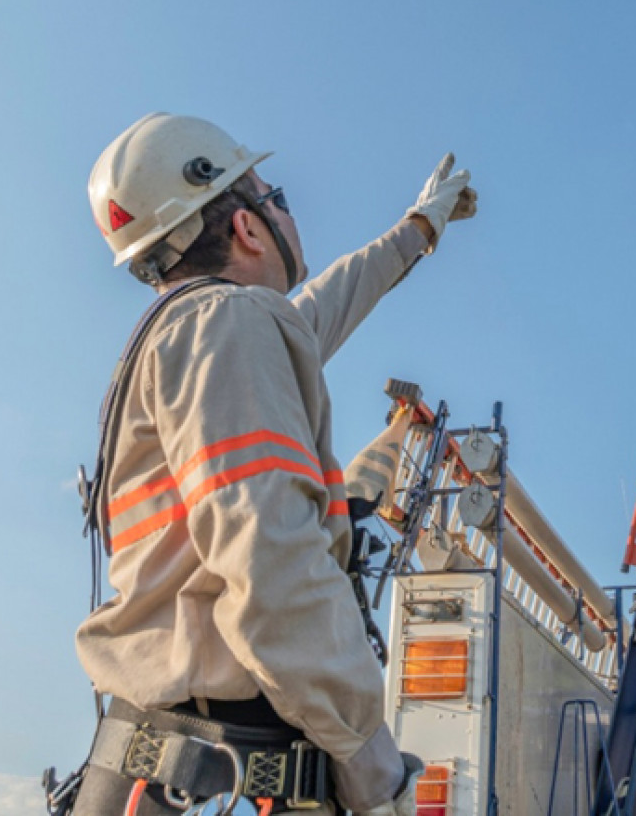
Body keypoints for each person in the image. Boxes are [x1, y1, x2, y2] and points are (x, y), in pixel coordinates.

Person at [64, 113, 477, 816]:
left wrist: (420, 226)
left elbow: (331, 300)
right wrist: (372, 764)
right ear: (248, 228)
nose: (288, 209)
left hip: (170, 770)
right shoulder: (228, 327)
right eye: (275, 194)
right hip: (226, 771)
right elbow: (270, 558)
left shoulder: (195, 336)